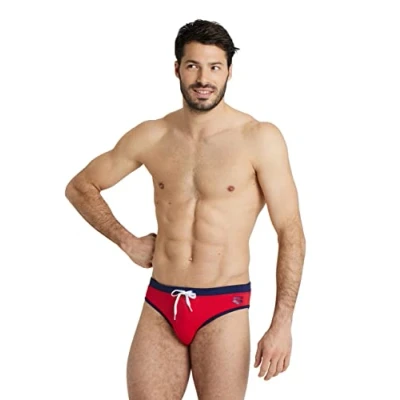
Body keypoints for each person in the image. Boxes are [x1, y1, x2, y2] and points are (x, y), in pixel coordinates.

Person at [65, 19, 306, 400]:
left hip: (224, 305)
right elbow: (80, 187)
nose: (203, 78)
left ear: (229, 72)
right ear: (177, 68)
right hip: (160, 301)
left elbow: (290, 232)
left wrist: (282, 324)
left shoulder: (259, 138)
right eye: (193, 66)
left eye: (215, 67)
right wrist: (126, 241)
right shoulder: (152, 135)